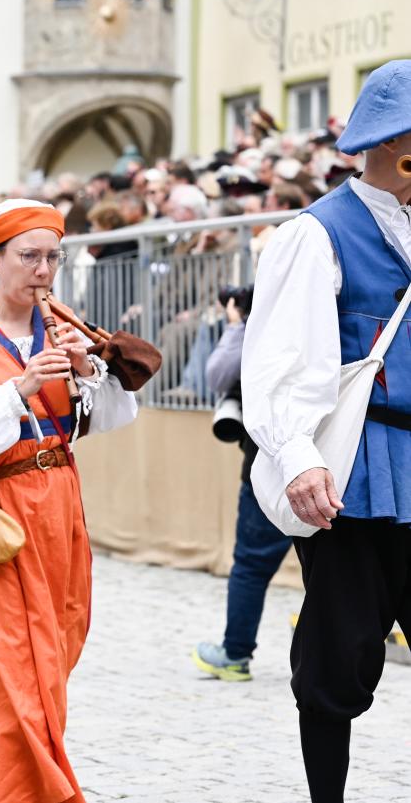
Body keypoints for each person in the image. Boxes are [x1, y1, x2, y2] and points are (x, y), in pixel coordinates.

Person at [0, 199, 138, 803]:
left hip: (60, 502)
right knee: (9, 663)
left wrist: (85, 370)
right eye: (28, 256)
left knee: (56, 650)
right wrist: (22, 386)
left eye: (52, 257)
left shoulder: (66, 330)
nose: (42, 270)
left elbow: (113, 419)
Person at [242, 59, 411, 803]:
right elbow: (279, 361)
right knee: (340, 651)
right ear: (395, 142)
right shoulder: (316, 234)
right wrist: (299, 456)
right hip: (355, 462)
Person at [192, 293, 291, 682]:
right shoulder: (334, 319)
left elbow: (216, 375)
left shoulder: (263, 325)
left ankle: (235, 654)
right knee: (335, 566)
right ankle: (347, 655)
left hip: (269, 464)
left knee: (251, 563)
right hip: (332, 458)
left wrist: (236, 326)